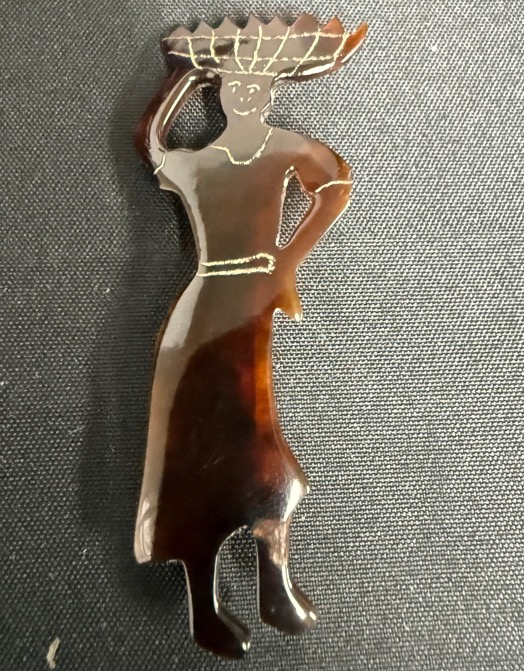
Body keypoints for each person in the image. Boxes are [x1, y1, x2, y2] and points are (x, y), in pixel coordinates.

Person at [134, 14, 367, 658]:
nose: (242, 95)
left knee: (259, 445)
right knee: (193, 454)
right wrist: (183, 77)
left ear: (265, 94)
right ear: (223, 93)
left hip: (250, 305)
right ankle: (203, 606)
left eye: (252, 87)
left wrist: (288, 261)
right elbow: (151, 145)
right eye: (232, 86)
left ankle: (274, 581)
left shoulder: (284, 150)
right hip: (200, 312)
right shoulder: (201, 161)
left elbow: (335, 184)